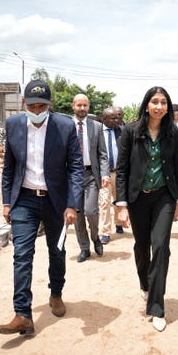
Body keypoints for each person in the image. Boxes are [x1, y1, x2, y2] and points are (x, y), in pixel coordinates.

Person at [0, 79, 83, 335]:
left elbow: (76, 168)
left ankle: (56, 293)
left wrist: (72, 205)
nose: (36, 111)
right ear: (23, 103)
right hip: (24, 199)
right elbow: (8, 166)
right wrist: (6, 201)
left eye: (41, 106)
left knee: (56, 252)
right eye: (31, 106)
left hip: (56, 201)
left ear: (50, 104)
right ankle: (23, 314)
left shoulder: (64, 126)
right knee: (22, 255)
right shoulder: (13, 125)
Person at [115, 86, 178, 332]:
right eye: (155, 101)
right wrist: (121, 205)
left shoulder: (172, 132)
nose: (159, 106)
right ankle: (145, 284)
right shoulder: (131, 131)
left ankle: (157, 307)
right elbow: (122, 170)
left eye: (163, 102)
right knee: (142, 248)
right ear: (146, 105)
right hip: (137, 200)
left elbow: (177, 168)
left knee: (162, 247)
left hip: (164, 197)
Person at [72, 94, 110, 262]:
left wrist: (105, 174)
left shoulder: (96, 126)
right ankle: (84, 247)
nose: (82, 108)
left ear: (88, 106)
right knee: (78, 214)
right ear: (73, 106)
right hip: (72, 177)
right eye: (79, 105)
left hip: (91, 175)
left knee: (91, 211)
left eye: (85, 105)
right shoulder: (66, 126)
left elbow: (102, 153)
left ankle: (96, 238)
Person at [98, 107, 123, 243]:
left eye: (117, 117)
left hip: (118, 173)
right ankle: (105, 232)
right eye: (112, 118)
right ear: (104, 119)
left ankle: (118, 223)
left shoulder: (121, 131)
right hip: (104, 174)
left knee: (118, 200)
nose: (116, 120)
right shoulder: (97, 132)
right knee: (104, 202)